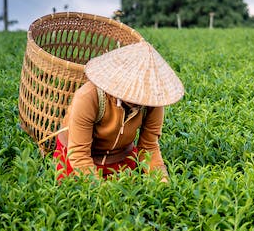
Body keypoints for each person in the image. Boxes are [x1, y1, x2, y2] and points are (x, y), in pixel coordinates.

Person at [53, 41, 184, 181]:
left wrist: (162, 182)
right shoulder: (88, 97)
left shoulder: (153, 99)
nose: (139, 99)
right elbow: (79, 154)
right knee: (75, 190)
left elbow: (149, 147)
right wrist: (99, 192)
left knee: (130, 191)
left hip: (120, 157)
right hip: (77, 157)